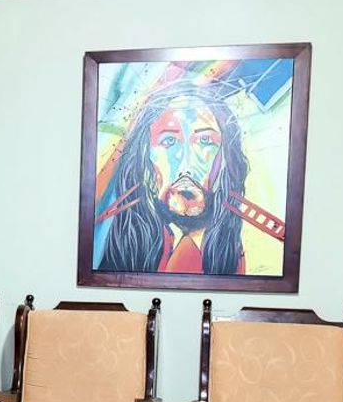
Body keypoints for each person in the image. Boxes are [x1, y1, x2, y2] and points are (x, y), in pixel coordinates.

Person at [97, 80, 249, 275]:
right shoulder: (117, 242)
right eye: (169, 140)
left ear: (225, 158)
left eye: (205, 140)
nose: (186, 165)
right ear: (145, 155)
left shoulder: (230, 253)